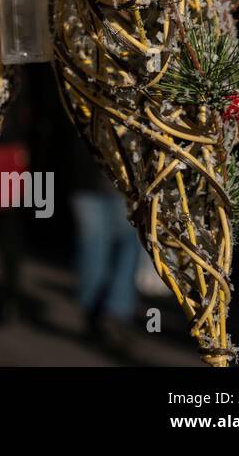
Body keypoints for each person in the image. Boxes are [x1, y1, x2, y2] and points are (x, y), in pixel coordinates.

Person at [70, 136, 141, 351]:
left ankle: (100, 314)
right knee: (111, 249)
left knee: (100, 249)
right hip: (113, 182)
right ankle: (112, 314)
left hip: (100, 182)